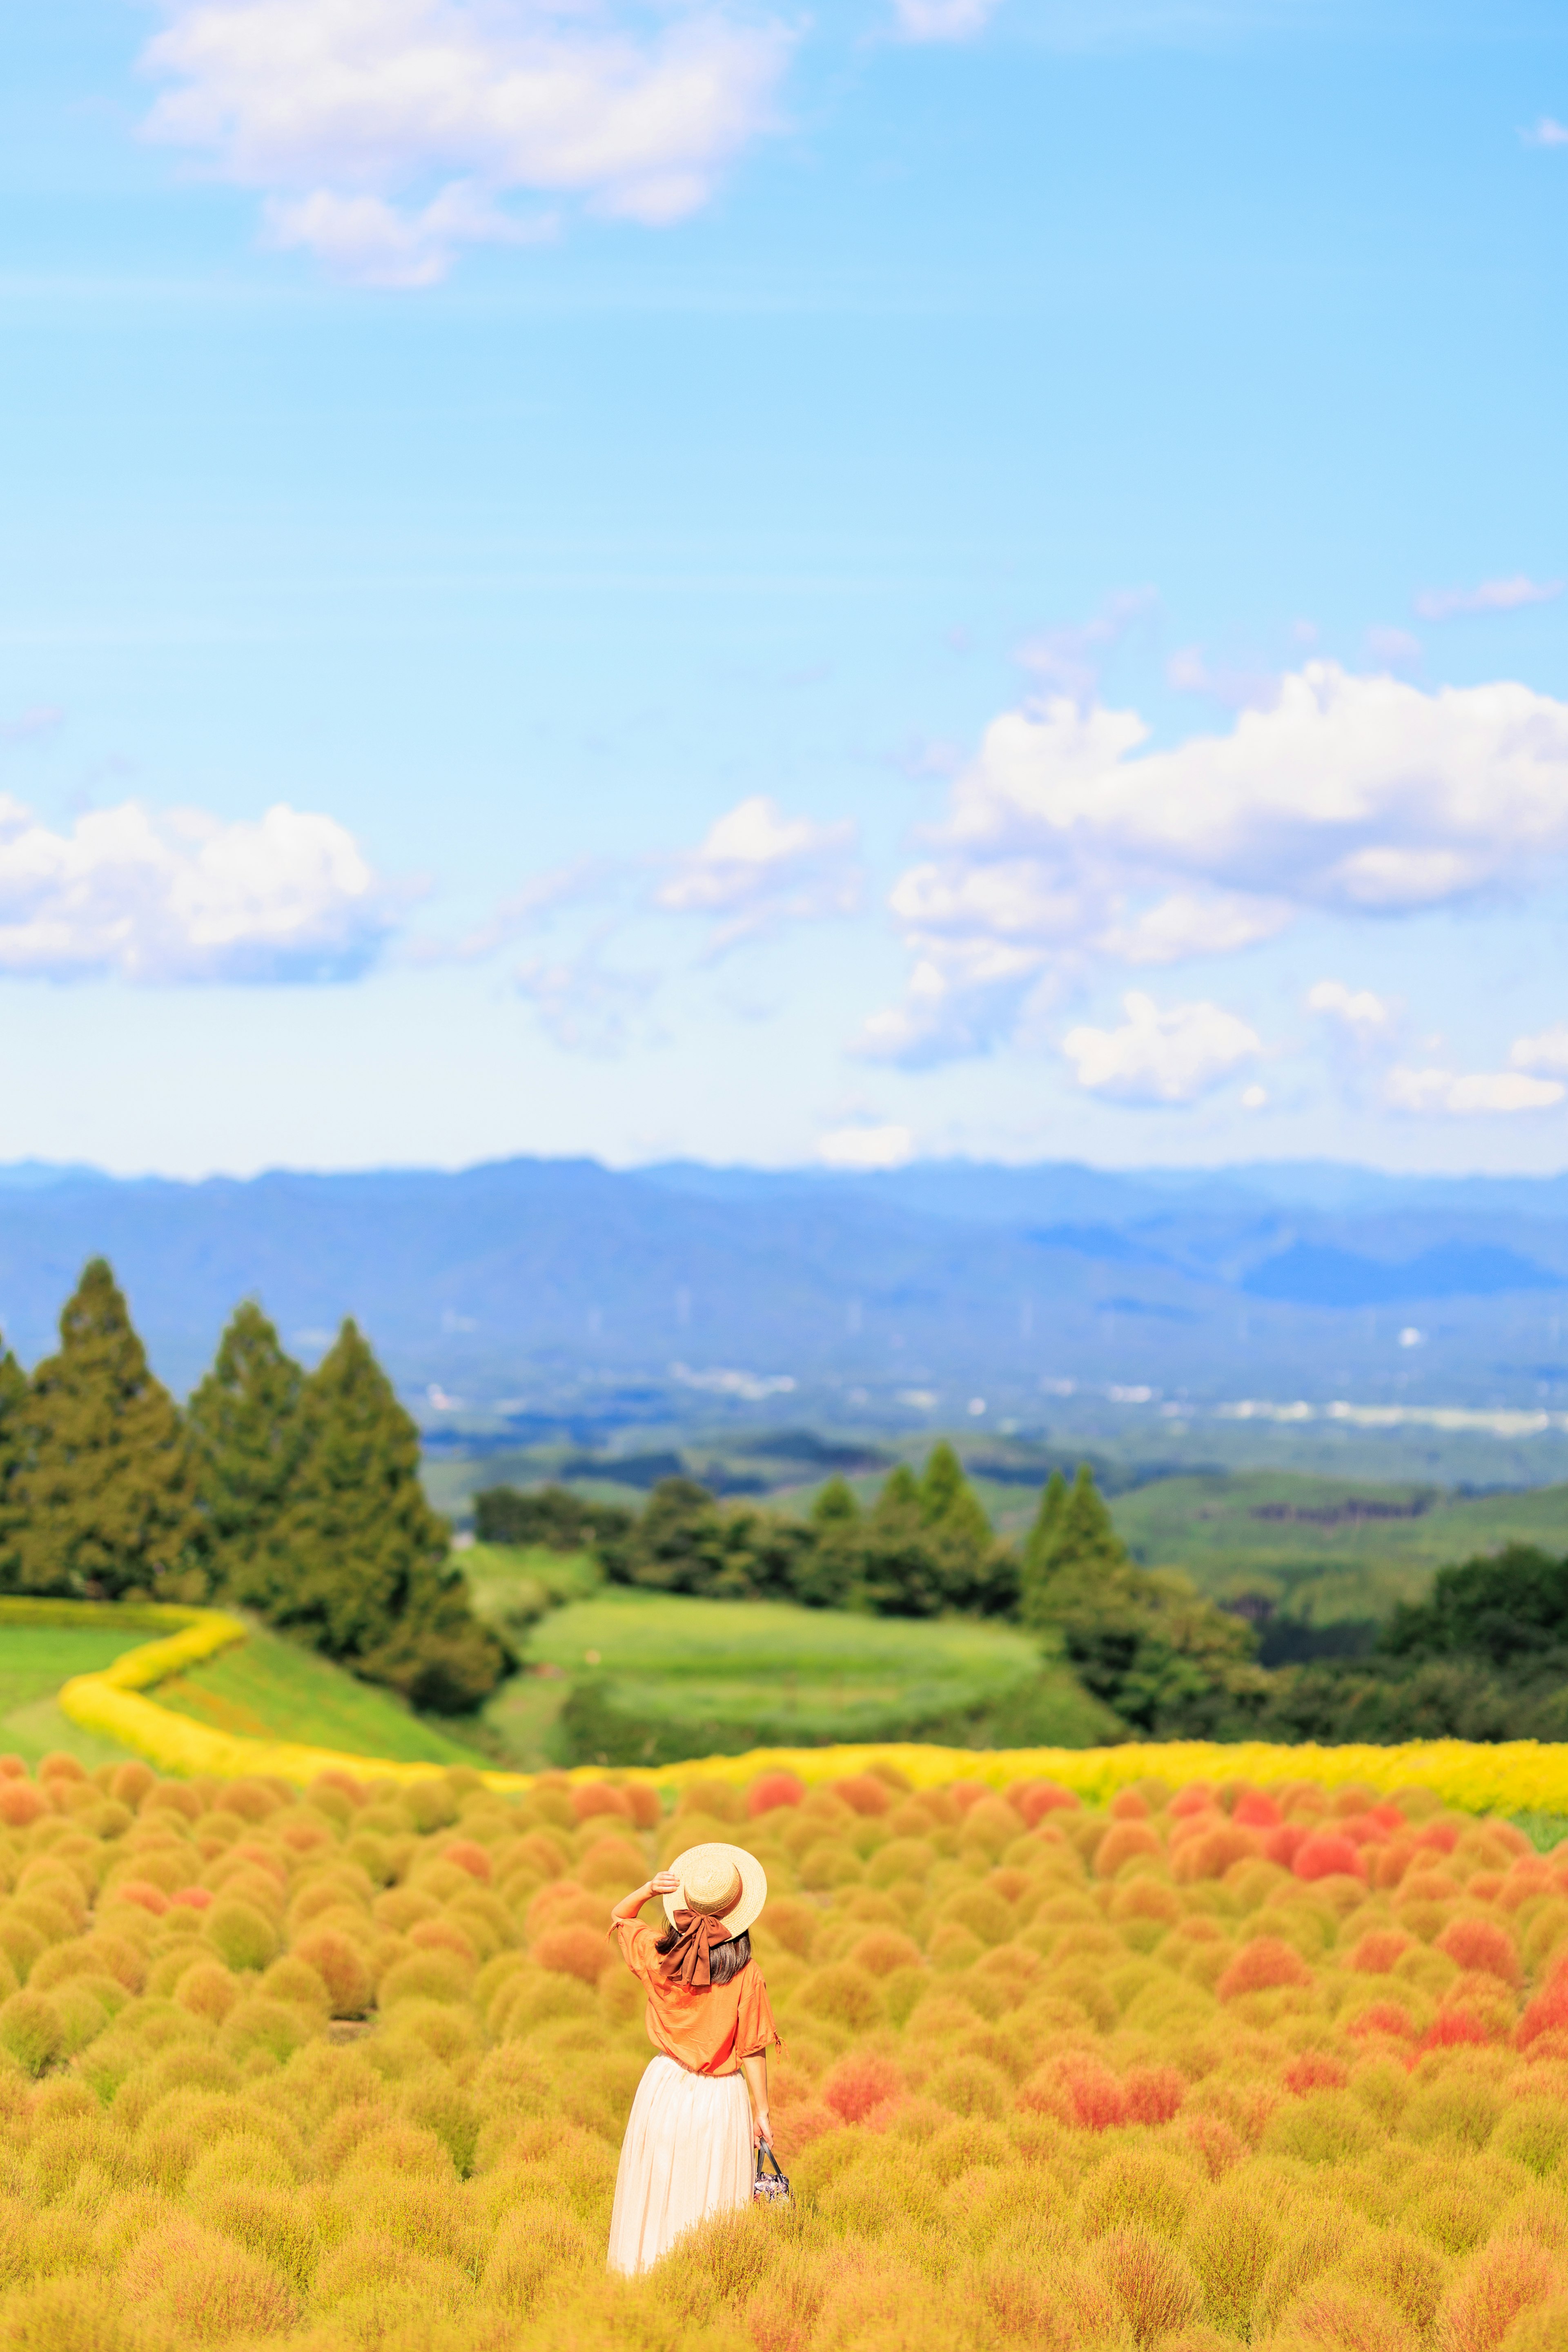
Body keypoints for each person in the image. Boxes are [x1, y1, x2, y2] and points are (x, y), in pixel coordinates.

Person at [605, 1838, 781, 2274]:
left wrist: (649, 1889)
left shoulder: (656, 1955)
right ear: (739, 1913)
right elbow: (753, 2047)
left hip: (663, 2088)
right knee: (711, 2197)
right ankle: (701, 2284)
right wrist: (762, 2112)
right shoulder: (747, 1973)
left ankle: (644, 2279)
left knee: (658, 2185)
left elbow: (620, 1917)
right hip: (719, 2098)